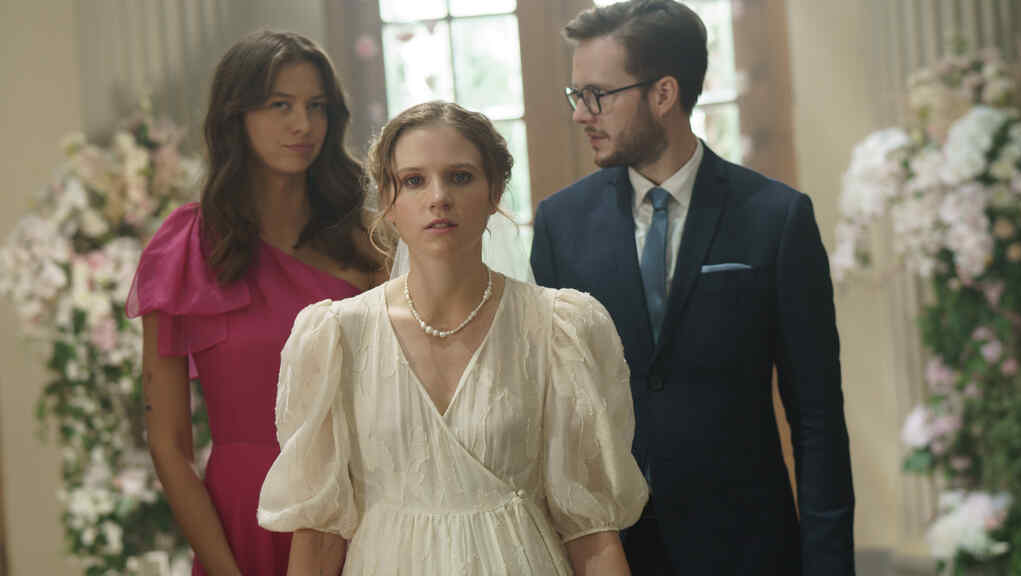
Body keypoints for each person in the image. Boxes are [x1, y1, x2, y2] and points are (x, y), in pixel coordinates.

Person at [530, 1, 856, 574]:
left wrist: (828, 564)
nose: (581, 114)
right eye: (576, 95)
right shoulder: (561, 224)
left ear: (663, 94)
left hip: (748, 548)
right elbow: (553, 413)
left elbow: (817, 416)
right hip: (613, 552)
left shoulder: (776, 219)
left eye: (597, 95)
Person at [257, 101, 648, 575]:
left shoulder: (559, 328)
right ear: (387, 202)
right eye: (414, 180)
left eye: (460, 177)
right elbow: (318, 535)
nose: (438, 197)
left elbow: (591, 530)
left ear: (494, 192)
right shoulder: (337, 336)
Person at [126, 30, 385, 576]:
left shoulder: (368, 243)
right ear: (235, 116)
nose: (303, 125)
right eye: (280, 105)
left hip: (363, 510)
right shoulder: (184, 251)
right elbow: (169, 444)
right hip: (243, 516)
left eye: (316, 106)